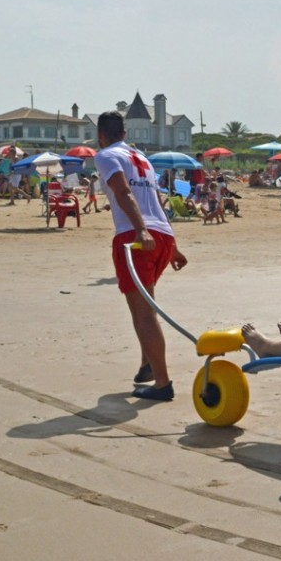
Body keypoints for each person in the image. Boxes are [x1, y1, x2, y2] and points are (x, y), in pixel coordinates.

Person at [95, 111, 187, 402]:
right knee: (147, 303)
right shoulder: (142, 158)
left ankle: (162, 382)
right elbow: (157, 201)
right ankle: (148, 364)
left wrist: (140, 230)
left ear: (101, 136)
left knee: (143, 315)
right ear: (125, 133)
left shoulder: (107, 156)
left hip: (135, 237)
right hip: (162, 235)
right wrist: (173, 244)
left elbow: (123, 193)